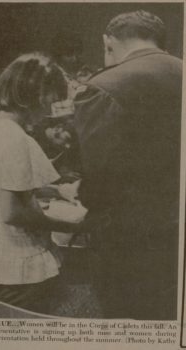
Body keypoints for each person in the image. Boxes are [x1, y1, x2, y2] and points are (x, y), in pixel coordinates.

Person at [74, 10, 182, 320]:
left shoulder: (104, 85)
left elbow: (97, 177)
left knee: (125, 318)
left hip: (125, 241)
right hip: (176, 230)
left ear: (108, 43)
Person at [0, 52, 79, 317]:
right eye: (52, 101)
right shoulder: (14, 138)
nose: (49, 112)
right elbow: (13, 213)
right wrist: (73, 224)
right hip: (16, 268)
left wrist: (58, 190)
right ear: (37, 95)